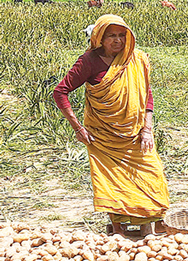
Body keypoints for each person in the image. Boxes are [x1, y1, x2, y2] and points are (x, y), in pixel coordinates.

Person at [53, 14, 169, 236]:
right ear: (99, 39)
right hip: (102, 136)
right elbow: (60, 92)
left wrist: (147, 129)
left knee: (151, 173)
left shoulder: (137, 59)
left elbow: (146, 94)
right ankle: (118, 229)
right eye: (111, 37)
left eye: (121, 36)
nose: (118, 41)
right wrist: (78, 127)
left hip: (136, 133)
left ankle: (147, 226)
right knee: (112, 181)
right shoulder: (88, 62)